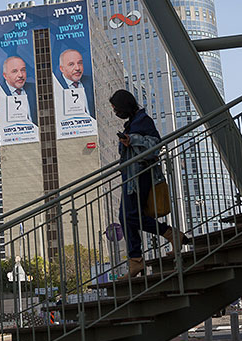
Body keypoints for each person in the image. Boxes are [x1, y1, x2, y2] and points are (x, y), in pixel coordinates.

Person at [110, 89, 188, 279]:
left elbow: (155, 144)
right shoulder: (130, 124)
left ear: (125, 106)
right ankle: (136, 260)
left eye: (116, 108)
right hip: (130, 177)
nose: (115, 112)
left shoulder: (142, 120)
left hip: (141, 176)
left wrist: (132, 140)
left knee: (129, 217)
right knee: (125, 217)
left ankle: (169, 235)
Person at [0, 56, 37, 123]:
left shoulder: (35, 88)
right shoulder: (1, 92)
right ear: (5, 76)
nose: (20, 75)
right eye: (14, 71)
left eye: (23, 70)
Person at [58, 49, 95, 118]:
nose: (77, 68)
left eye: (80, 63)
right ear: (62, 69)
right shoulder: (56, 86)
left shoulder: (91, 81)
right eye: (71, 64)